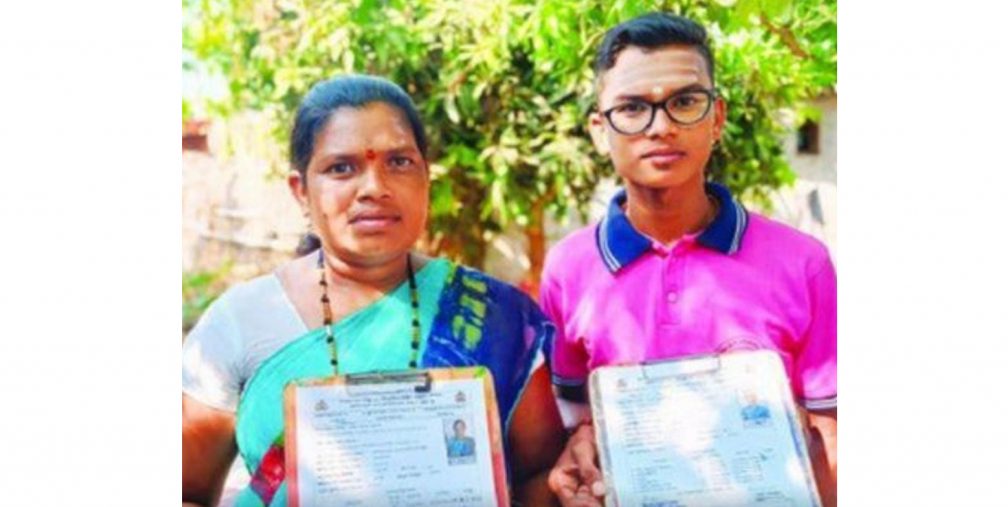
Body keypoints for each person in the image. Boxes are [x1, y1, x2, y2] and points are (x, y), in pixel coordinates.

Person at [182, 75, 565, 507]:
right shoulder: (240, 321)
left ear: (425, 177)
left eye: (399, 162)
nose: (374, 187)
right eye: (341, 167)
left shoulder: (495, 315)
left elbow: (540, 472)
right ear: (301, 191)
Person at [540, 12, 837, 507]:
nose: (660, 127)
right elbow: (568, 421)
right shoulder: (568, 269)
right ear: (599, 129)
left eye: (684, 102)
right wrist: (577, 456)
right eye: (632, 108)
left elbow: (832, 434)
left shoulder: (803, 262)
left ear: (716, 118)